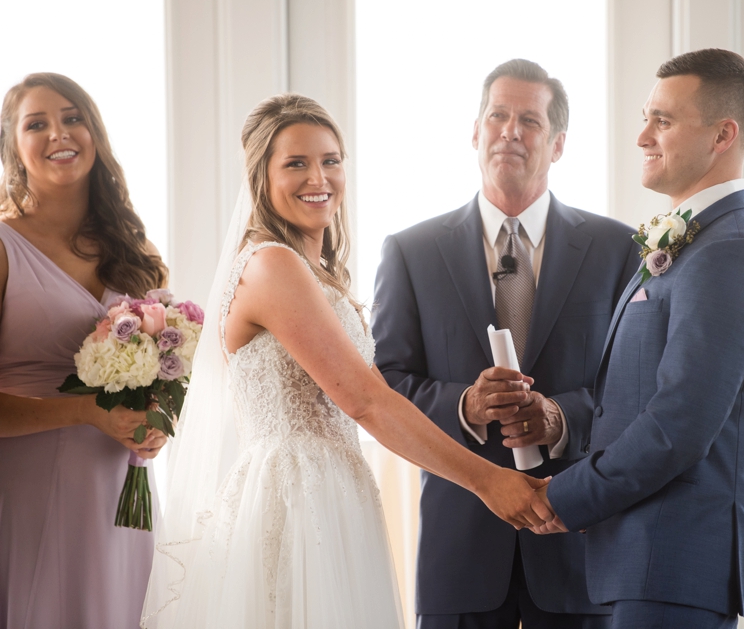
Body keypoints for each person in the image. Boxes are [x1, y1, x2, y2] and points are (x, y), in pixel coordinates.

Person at [141, 93, 553, 629]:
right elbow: (365, 400)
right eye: (296, 163)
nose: (320, 177)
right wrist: (487, 481)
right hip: (295, 501)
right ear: (260, 177)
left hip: (335, 490)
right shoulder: (272, 265)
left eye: (331, 160)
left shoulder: (314, 272)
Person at [532, 49, 744, 628]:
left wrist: (563, 495)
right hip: (646, 565)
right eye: (646, 117)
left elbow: (677, 425)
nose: (642, 137)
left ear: (722, 135)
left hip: (674, 568)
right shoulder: (705, 243)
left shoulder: (731, 254)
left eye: (663, 120)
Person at [372, 59, 639, 628]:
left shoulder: (620, 250)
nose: (510, 131)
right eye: (497, 115)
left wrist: (560, 417)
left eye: (530, 121)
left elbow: (637, 390)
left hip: (577, 557)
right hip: (459, 559)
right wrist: (464, 406)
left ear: (559, 144)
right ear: (475, 132)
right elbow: (385, 388)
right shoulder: (410, 253)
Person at [0, 73, 169, 628]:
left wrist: (158, 421)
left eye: (73, 117)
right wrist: (80, 411)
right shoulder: (4, 248)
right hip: (25, 489)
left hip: (122, 491)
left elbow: (170, 365)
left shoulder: (137, 252)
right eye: (37, 123)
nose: (59, 133)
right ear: (13, 147)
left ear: (94, 133)